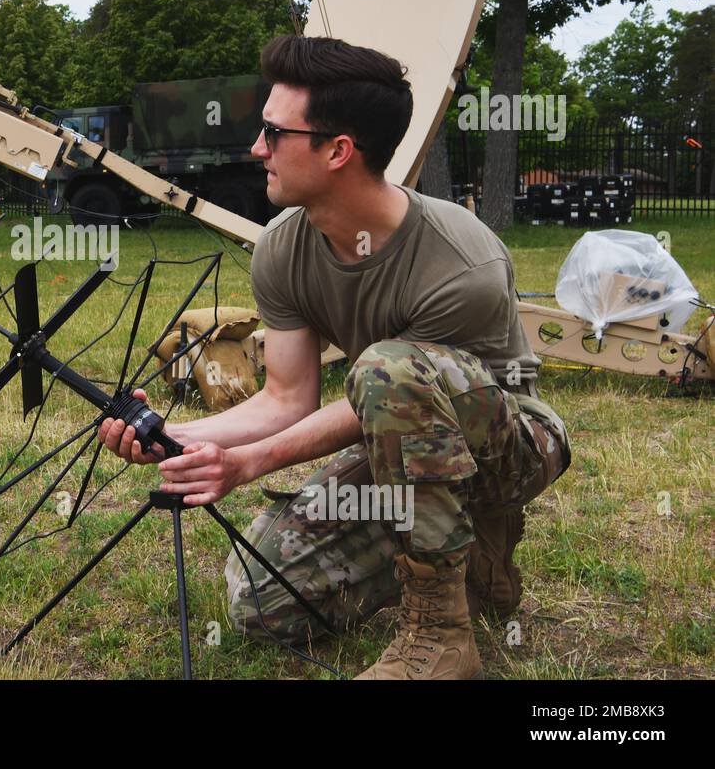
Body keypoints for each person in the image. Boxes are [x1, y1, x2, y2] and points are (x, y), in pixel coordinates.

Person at [98, 35, 570, 680]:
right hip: (401, 438)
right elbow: (287, 397)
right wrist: (175, 437)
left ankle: (440, 635)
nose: (256, 148)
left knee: (387, 368)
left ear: (338, 150)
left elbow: (393, 391)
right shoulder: (283, 247)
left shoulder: (462, 264)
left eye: (273, 132)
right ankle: (472, 561)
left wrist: (252, 462)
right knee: (262, 603)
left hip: (507, 449)